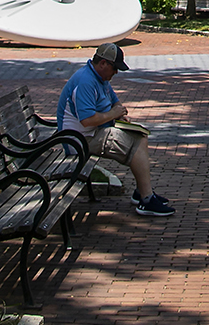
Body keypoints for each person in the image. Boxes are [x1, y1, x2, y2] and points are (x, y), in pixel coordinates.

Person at [58, 43, 175, 216]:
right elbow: (87, 120)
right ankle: (146, 199)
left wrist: (119, 114)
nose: (116, 72)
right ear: (103, 63)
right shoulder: (85, 81)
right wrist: (113, 114)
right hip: (79, 141)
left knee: (140, 135)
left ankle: (142, 192)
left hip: (93, 133)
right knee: (133, 144)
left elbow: (115, 102)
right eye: (114, 68)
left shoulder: (100, 78)